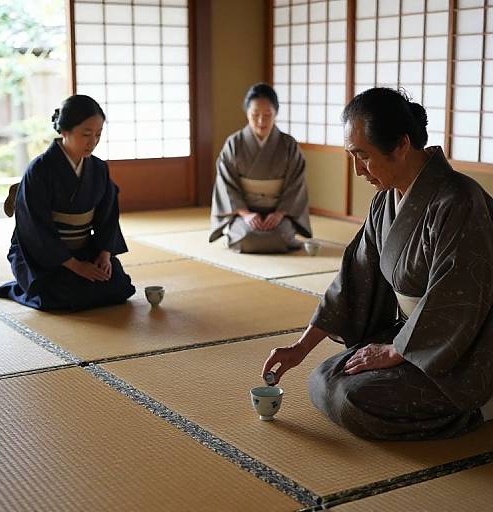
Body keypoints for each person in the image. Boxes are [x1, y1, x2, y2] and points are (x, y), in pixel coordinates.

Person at [262, 87, 493, 440]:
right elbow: (353, 280)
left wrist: (394, 350)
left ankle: (478, 405)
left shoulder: (459, 200)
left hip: (462, 350)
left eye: (363, 156)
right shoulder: (384, 202)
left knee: (354, 398)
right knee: (323, 379)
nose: (357, 170)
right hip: (412, 337)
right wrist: (301, 347)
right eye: (351, 156)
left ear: (401, 145)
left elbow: (456, 301)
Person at [0, 95, 135, 311]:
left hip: (83, 248)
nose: (93, 142)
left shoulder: (98, 169)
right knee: (60, 298)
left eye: (98, 135)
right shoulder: (39, 170)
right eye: (86, 134)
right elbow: (35, 230)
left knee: (120, 288)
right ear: (65, 131)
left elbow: (107, 216)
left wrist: (104, 255)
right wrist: (76, 266)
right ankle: (18, 289)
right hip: (42, 255)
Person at [209, 83, 312, 253]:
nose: (261, 121)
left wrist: (279, 214)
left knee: (281, 237)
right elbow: (226, 184)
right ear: (247, 113)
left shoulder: (288, 145)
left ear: (276, 114)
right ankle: (235, 230)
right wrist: (246, 214)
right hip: (245, 213)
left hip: (278, 214)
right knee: (247, 237)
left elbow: (296, 184)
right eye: (255, 115)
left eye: (267, 115)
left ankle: (276, 231)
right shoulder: (234, 144)